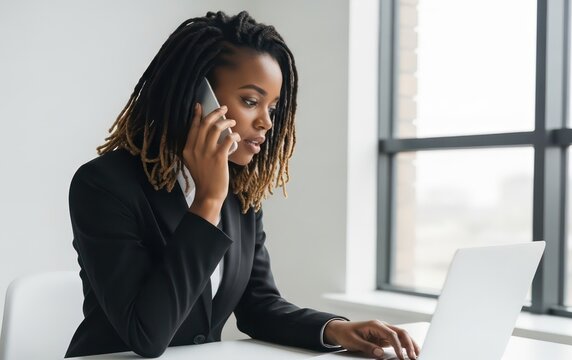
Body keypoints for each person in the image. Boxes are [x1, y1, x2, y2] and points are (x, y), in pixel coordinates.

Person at [65, 10, 419, 360]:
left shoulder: (239, 195)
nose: (266, 122)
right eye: (251, 101)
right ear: (197, 98)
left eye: (273, 107)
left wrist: (335, 329)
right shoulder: (103, 185)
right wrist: (208, 201)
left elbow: (258, 305)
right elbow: (146, 335)